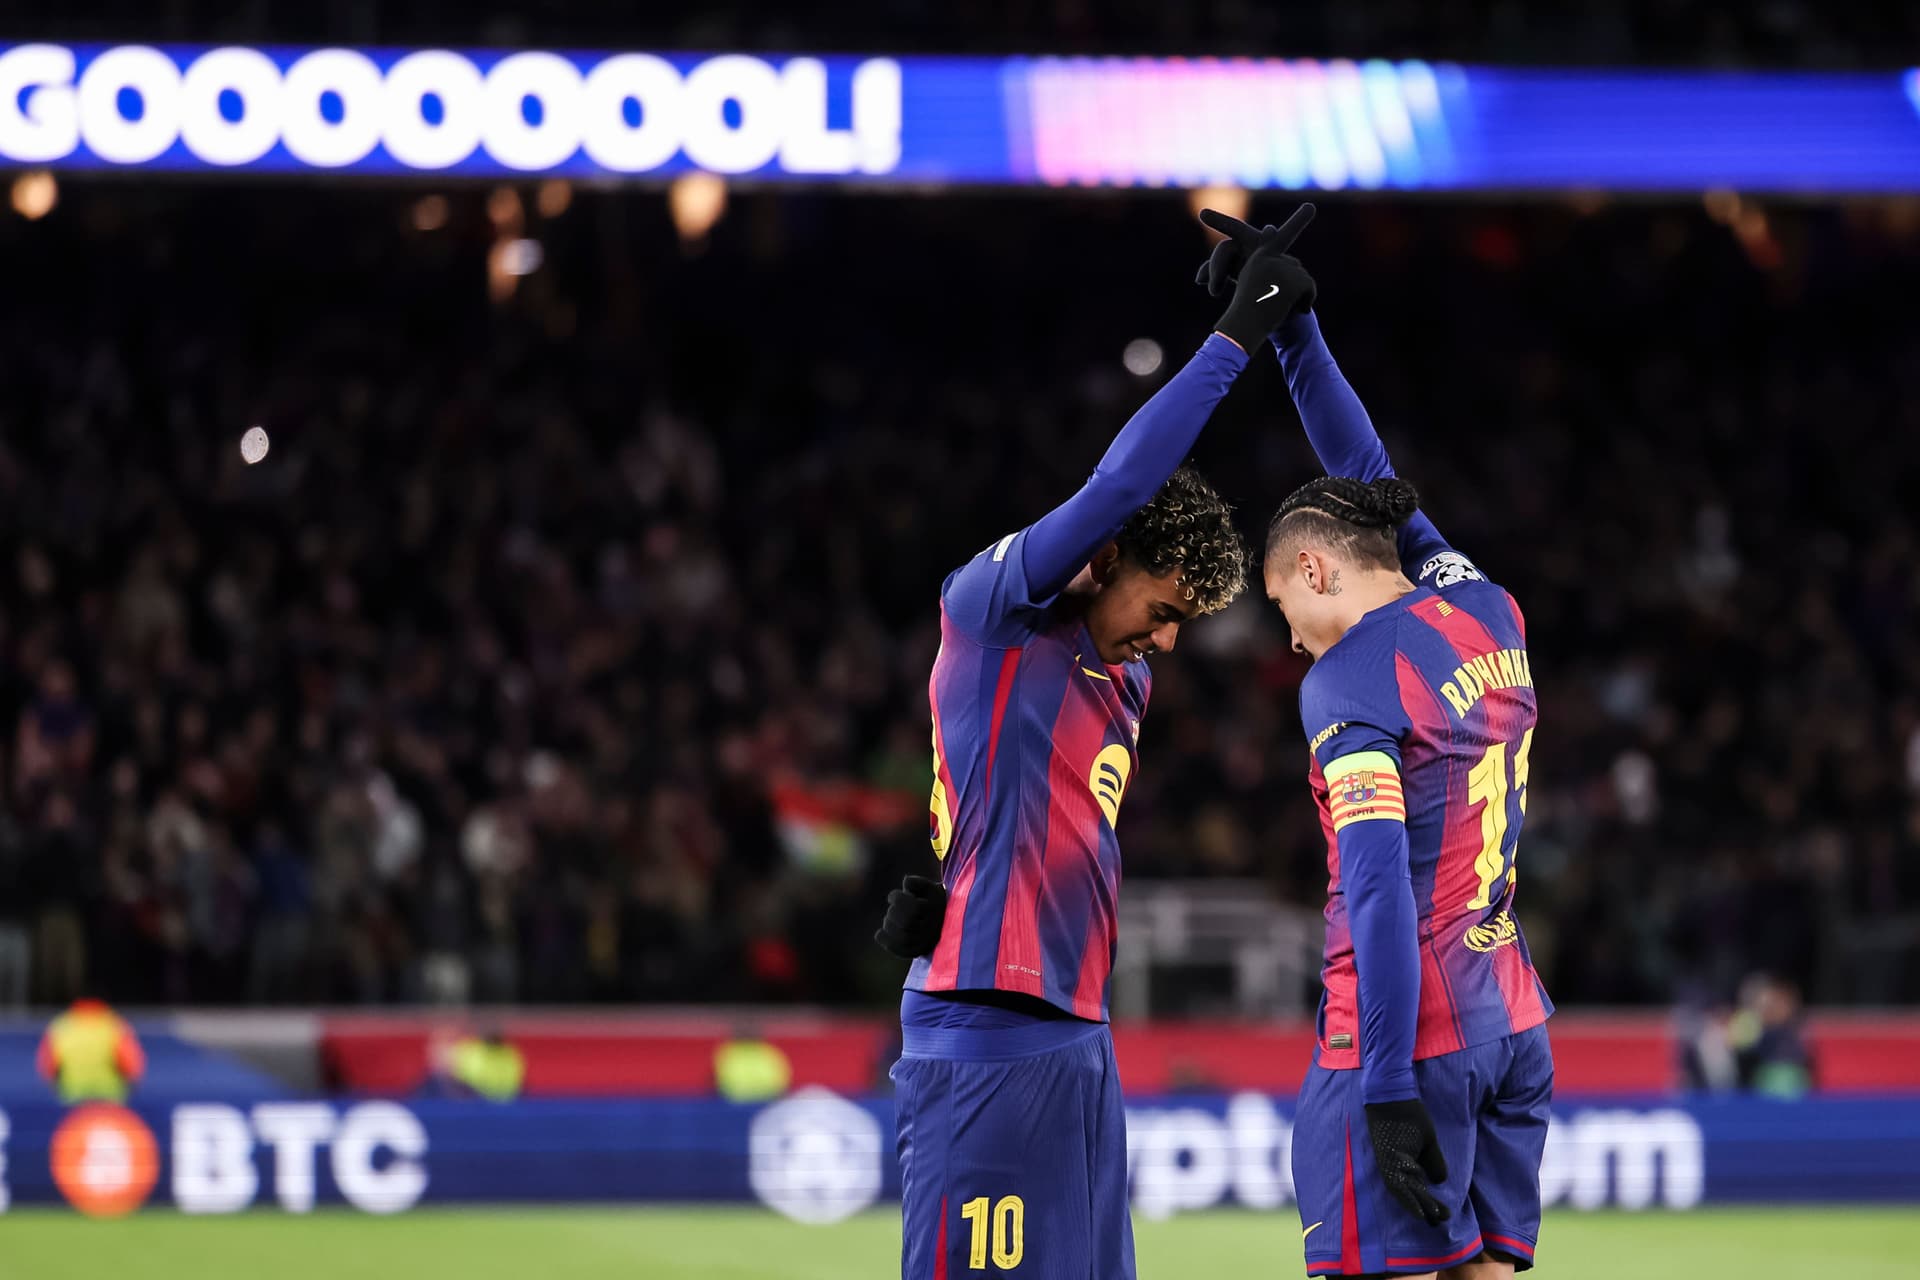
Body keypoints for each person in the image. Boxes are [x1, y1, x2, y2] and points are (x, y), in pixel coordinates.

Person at [871, 207, 1318, 1280]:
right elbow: (1120, 483)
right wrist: (1235, 341)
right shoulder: (995, 606)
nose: (1163, 639)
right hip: (986, 1027)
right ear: (1108, 558)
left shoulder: (1123, 673)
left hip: (1076, 1029)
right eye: (1161, 608)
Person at [1195, 210, 1553, 1278]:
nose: (1287, 637)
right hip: (1510, 1019)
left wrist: (1385, 1081)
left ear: (1312, 570)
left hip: (1404, 1035)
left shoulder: (1347, 678)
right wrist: (1294, 327)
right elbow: (1370, 472)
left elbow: (1382, 892)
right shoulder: (1486, 605)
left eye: (1276, 603)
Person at [37, 995, 147, 1105]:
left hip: (71, 1101)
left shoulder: (60, 1027)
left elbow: (48, 1069)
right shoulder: (115, 1026)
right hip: (110, 1102)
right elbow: (132, 1068)